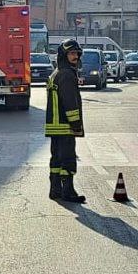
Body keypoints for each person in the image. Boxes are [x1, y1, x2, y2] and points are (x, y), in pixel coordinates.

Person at [45, 38, 86, 203]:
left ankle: (55, 190)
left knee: (56, 159)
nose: (75, 56)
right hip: (65, 125)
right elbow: (70, 102)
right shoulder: (67, 75)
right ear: (64, 55)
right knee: (68, 159)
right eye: (71, 53)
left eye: (76, 53)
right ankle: (68, 191)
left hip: (54, 126)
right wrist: (75, 124)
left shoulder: (56, 73)